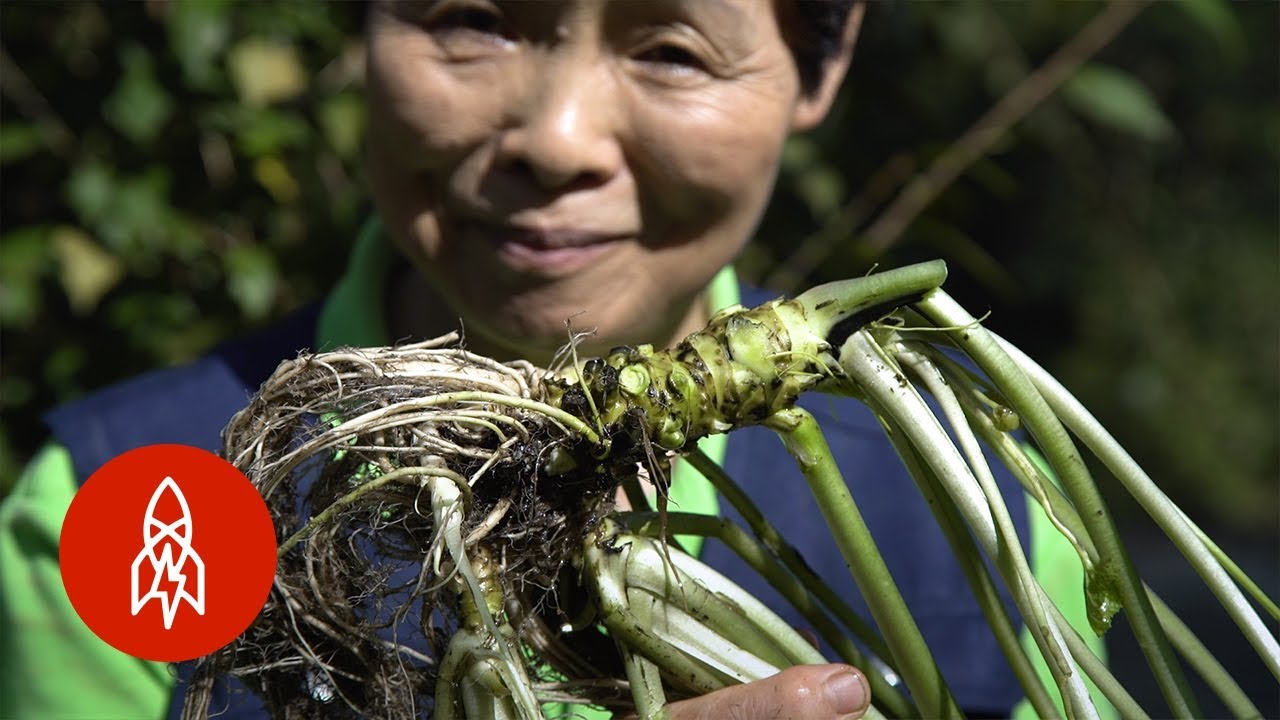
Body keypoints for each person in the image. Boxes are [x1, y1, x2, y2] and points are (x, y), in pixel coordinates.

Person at [1, 1, 1104, 718]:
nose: (558, 137)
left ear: (818, 65)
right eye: (474, 21)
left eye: (672, 50)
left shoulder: (981, 493)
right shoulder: (126, 509)